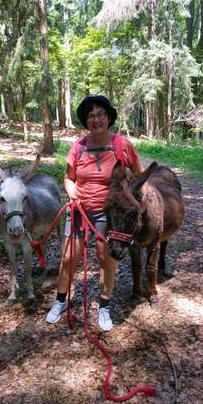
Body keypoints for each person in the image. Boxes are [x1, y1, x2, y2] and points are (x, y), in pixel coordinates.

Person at [46, 95, 144, 331]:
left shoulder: (122, 146)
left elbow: (138, 176)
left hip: (109, 216)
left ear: (109, 118)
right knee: (69, 259)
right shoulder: (78, 147)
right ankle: (60, 302)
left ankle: (104, 306)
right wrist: (72, 194)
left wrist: (127, 200)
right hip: (79, 210)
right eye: (91, 115)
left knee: (106, 260)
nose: (96, 119)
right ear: (86, 121)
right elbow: (68, 179)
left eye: (100, 114)